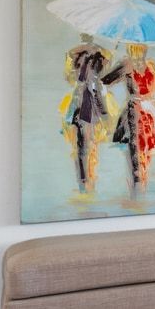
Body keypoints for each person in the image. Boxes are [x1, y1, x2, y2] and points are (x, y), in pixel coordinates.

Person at [104, 42, 155, 190]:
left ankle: (137, 188)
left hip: (134, 111)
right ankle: (142, 186)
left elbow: (106, 81)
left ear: (130, 49)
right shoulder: (151, 65)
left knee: (134, 151)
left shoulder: (126, 64)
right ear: (145, 49)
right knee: (145, 150)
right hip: (149, 112)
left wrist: (109, 59)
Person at [60, 36, 116, 192]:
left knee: (81, 144)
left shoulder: (74, 53)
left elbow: (69, 77)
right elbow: (99, 82)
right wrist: (105, 118)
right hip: (88, 101)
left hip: (77, 100)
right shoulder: (99, 54)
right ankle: (87, 182)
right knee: (87, 143)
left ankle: (83, 181)